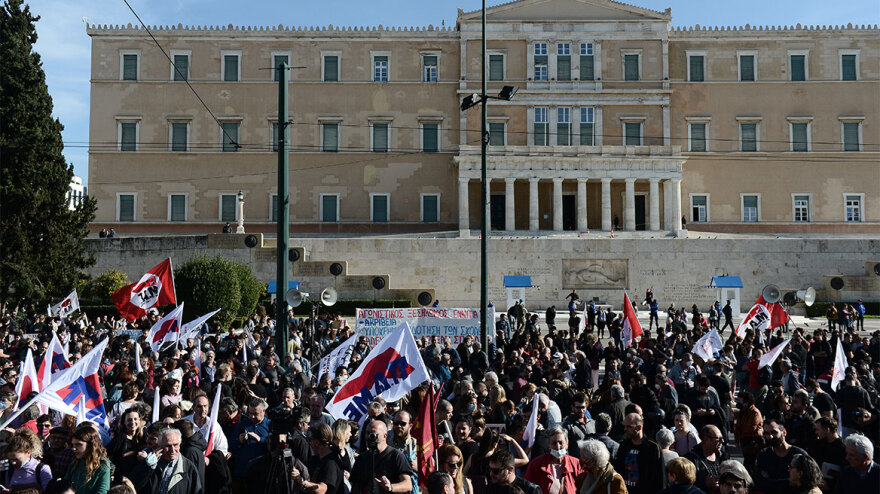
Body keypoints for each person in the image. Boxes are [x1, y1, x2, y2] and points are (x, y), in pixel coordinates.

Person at [350, 420, 413, 494]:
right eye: (367, 433)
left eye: (373, 433)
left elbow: (408, 485)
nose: (370, 436)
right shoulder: (361, 459)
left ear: (385, 436)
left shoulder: (396, 456)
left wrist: (391, 487)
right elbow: (355, 487)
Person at [137, 427, 202, 494]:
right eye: (168, 446)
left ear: (180, 445)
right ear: (160, 446)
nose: (172, 450)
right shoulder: (151, 463)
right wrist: (148, 467)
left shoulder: (189, 468)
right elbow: (135, 486)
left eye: (175, 445)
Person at [754, 417, 808, 494]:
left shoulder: (799, 454)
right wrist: (790, 480)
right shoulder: (764, 454)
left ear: (784, 432)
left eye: (774, 432)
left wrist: (770, 481)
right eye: (767, 433)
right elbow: (760, 482)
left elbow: (805, 481)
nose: (770, 437)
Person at [613, 413, 664, 494]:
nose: (625, 429)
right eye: (624, 426)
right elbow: (618, 469)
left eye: (629, 427)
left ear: (639, 427)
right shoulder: (624, 445)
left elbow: (659, 477)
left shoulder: (652, 447)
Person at [524, 427, 583, 494]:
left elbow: (583, 487)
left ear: (567, 444)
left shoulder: (576, 464)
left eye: (561, 443)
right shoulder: (537, 464)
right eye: (554, 443)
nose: (558, 447)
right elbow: (527, 487)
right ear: (549, 445)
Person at [229, 398, 272, 486]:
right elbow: (231, 445)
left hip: (261, 474)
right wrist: (239, 441)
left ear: (263, 411)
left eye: (255, 414)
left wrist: (261, 440)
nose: (252, 416)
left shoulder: (270, 425)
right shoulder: (242, 425)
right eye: (250, 413)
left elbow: (274, 447)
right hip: (242, 472)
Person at [63, 424, 112, 494]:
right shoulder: (74, 463)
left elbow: (102, 491)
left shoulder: (103, 465)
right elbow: (64, 487)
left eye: (79, 444)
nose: (74, 448)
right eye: (73, 445)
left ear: (90, 445)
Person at [301, 423, 345, 494]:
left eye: (310, 439)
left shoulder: (331, 463)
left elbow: (322, 490)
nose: (309, 442)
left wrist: (303, 482)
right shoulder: (317, 459)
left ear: (317, 442)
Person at [685, 425, 728, 492]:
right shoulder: (691, 459)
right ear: (706, 439)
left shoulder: (723, 457)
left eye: (722, 438)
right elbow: (686, 486)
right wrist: (705, 484)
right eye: (718, 438)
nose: (722, 441)